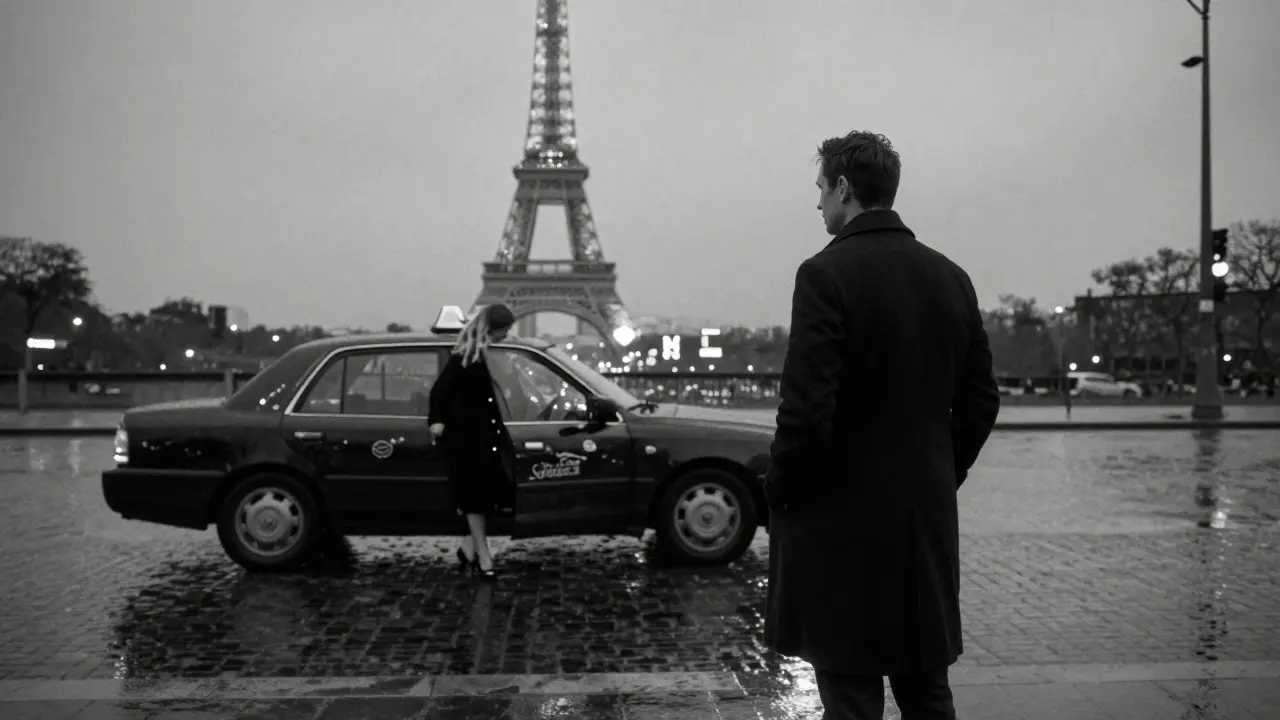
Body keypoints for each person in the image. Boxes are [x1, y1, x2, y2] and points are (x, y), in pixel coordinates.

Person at [763, 131, 1001, 720]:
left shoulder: (824, 275)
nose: (818, 202)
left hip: (842, 526)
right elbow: (981, 400)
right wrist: (940, 473)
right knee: (927, 693)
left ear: (844, 188)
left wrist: (783, 489)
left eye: (821, 188)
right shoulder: (952, 277)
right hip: (923, 523)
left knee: (851, 698)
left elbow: (806, 410)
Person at [427, 304, 519, 580]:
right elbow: (439, 392)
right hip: (467, 441)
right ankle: (483, 554)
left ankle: (468, 548)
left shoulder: (493, 356)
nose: (507, 335)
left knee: (485, 499)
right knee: (476, 502)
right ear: (493, 329)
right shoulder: (464, 357)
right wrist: (436, 421)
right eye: (505, 330)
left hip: (487, 439)